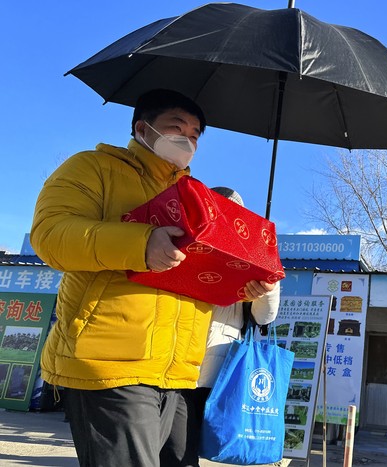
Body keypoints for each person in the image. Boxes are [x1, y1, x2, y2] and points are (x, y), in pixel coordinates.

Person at [30, 89, 271, 467]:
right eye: (176, 128)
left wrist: (242, 283)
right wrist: (141, 244)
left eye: (195, 135)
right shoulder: (92, 168)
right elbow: (51, 235)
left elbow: (200, 277)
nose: (187, 140)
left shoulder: (199, 198)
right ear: (143, 128)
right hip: (111, 362)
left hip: (178, 372)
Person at [160, 187, 281, 466]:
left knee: (190, 451)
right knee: (175, 453)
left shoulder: (251, 253)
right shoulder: (184, 241)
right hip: (173, 365)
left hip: (219, 374)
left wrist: (267, 286)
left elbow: (264, 317)